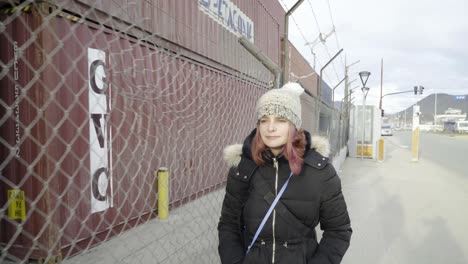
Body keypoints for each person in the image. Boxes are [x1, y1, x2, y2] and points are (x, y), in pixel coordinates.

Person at [218, 82, 352, 264]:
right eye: (264, 120)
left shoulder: (319, 171)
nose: (270, 128)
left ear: (294, 125)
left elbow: (339, 230)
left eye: (280, 119)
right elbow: (228, 225)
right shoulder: (243, 168)